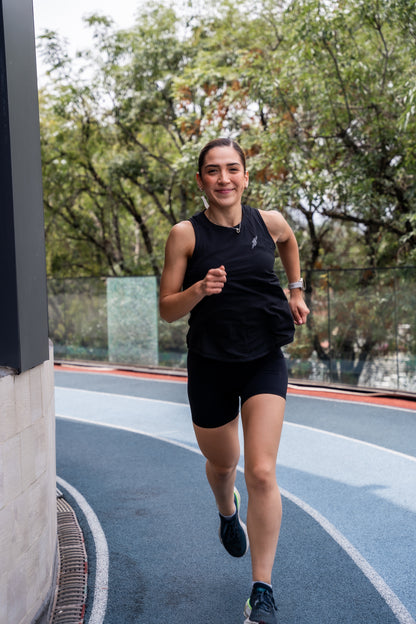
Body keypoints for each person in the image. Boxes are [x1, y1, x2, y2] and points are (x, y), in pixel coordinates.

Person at [159, 137, 309, 624]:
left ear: (246, 176)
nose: (223, 178)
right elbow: (166, 309)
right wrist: (199, 289)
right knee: (223, 464)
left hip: (263, 356)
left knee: (261, 471)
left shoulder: (270, 223)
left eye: (232, 169)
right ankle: (227, 510)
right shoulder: (185, 235)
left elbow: (289, 244)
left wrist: (296, 289)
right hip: (210, 363)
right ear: (201, 180)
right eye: (212, 170)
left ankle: (261, 590)